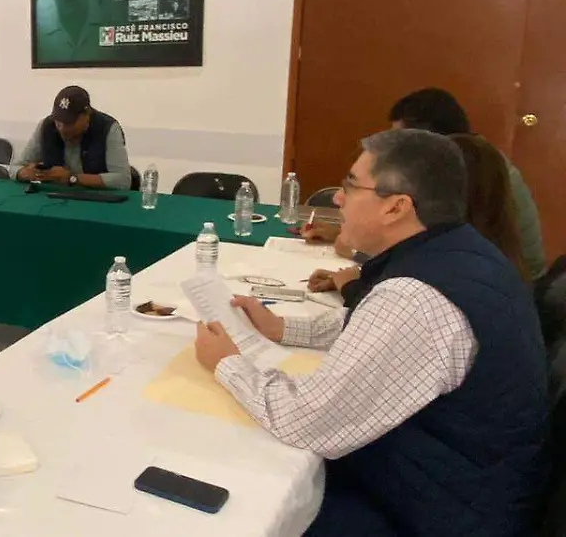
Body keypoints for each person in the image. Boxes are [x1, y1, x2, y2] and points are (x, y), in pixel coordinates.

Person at [194, 129, 547, 536]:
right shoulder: (459, 251)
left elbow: (305, 421)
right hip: (461, 481)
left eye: (350, 185)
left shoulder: (416, 297)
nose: (337, 199)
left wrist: (227, 364)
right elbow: (379, 328)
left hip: (437, 513)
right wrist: (283, 327)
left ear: (396, 207)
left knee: (239, 492)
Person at [304, 87, 546, 279]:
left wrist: (358, 255)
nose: (395, 152)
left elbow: (436, 259)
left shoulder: (467, 170)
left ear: (427, 144)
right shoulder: (476, 155)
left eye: (402, 142)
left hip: (510, 286)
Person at [10, 85, 131, 190]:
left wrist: (72, 178)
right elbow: (15, 168)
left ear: (87, 115)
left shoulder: (108, 128)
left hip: (97, 200)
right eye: (58, 122)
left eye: (69, 123)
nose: (62, 128)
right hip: (55, 199)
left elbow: (123, 181)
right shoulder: (46, 126)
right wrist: (26, 173)